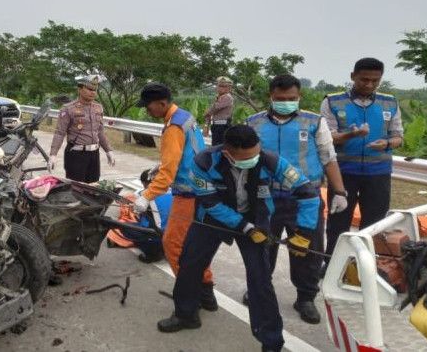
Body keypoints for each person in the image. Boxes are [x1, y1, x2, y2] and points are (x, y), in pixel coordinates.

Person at [158, 125, 320, 352]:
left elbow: (307, 192)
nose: (253, 160)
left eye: (255, 154)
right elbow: (210, 203)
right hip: (212, 218)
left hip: (256, 219)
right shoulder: (203, 162)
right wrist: (245, 227)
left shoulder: (271, 160)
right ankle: (186, 315)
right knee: (190, 265)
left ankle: (271, 341)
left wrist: (303, 234)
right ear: (227, 152)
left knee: (260, 279)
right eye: (246, 158)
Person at [245, 74, 348, 324]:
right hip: (265, 197)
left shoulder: (314, 122)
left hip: (305, 199)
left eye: (292, 98)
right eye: (280, 99)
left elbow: (328, 157)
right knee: (261, 247)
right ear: (271, 96)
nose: (286, 102)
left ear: (299, 96)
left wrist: (340, 192)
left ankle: (305, 297)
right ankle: (258, 289)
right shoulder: (253, 123)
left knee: (309, 250)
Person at [132, 83, 217, 311]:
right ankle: (207, 294)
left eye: (149, 107)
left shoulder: (173, 127)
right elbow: (185, 153)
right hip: (202, 189)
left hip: (188, 194)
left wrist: (147, 195)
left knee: (172, 244)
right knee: (195, 247)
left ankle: (191, 293)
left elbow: (169, 173)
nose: (147, 111)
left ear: (161, 103)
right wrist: (160, 165)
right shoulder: (184, 117)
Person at [322, 58, 403, 256]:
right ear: (353, 76)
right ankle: (332, 262)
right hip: (343, 174)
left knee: (374, 224)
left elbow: (398, 136)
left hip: (378, 173)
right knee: (338, 222)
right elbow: (327, 137)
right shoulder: (332, 101)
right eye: (364, 80)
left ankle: (366, 265)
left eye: (375, 81)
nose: (369, 85)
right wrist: (352, 135)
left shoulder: (390, 102)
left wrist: (387, 144)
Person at [48, 75, 115, 183]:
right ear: (79, 89)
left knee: (93, 187)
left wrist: (108, 150)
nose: (93, 92)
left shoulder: (98, 108)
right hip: (76, 155)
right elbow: (59, 133)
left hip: (94, 154)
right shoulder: (68, 108)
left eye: (95, 90)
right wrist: (53, 154)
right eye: (89, 89)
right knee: (76, 189)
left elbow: (100, 131)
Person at [106, 167, 172, 263]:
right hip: (177, 234)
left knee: (124, 226)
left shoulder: (145, 195)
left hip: (159, 236)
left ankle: (152, 253)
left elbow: (136, 209)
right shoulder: (175, 191)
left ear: (145, 183)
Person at [203, 76, 235, 145]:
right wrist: (206, 125)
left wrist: (207, 113)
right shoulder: (218, 97)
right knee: (215, 146)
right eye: (219, 86)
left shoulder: (227, 97)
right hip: (216, 126)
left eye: (224, 86)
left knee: (219, 147)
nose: (220, 88)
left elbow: (212, 110)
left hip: (223, 127)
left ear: (229, 88)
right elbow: (209, 114)